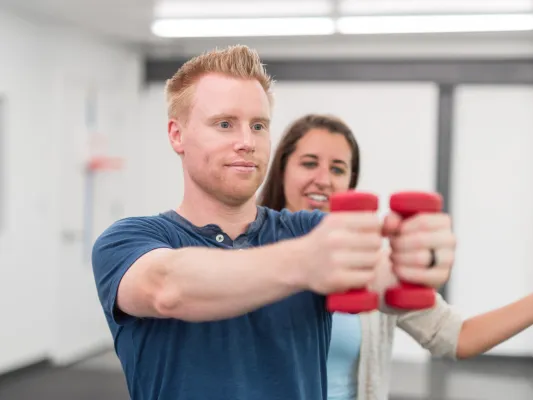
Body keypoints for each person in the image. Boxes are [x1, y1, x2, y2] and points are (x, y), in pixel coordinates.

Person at [91, 45, 456, 400]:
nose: (247, 142)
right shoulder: (128, 240)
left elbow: (382, 276)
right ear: (177, 134)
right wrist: (305, 262)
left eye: (259, 126)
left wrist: (419, 259)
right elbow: (167, 288)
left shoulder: (307, 230)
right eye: (225, 124)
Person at [259, 113, 533, 400]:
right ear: (282, 170)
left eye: (338, 169)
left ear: (350, 184)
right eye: (309, 163)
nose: (323, 179)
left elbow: (458, 337)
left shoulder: (373, 268)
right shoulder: (245, 251)